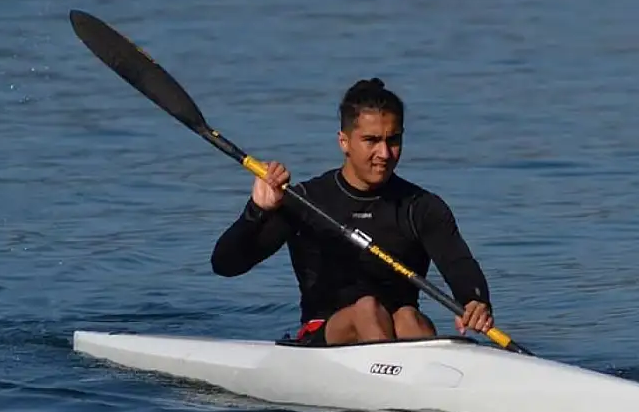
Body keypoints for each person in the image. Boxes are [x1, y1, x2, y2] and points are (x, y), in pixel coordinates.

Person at [210, 78, 495, 346]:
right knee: (367, 309)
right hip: (323, 338)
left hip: (399, 331)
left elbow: (459, 263)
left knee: (409, 317)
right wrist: (256, 211)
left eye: (393, 140)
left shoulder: (421, 206)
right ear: (344, 141)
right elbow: (225, 265)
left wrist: (474, 301)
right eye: (371, 140)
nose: (384, 153)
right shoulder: (307, 201)